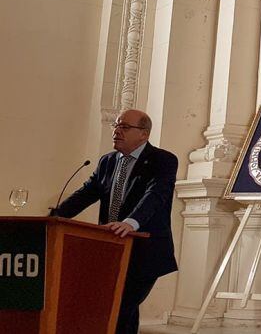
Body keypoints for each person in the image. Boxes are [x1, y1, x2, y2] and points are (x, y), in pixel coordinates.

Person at [53, 109, 178, 334]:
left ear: (144, 134)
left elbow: (156, 195)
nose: (117, 131)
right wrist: (53, 218)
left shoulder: (163, 160)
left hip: (144, 250)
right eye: (116, 126)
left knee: (118, 309)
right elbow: (86, 194)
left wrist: (131, 222)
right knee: (123, 314)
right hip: (110, 250)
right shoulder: (107, 162)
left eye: (124, 127)